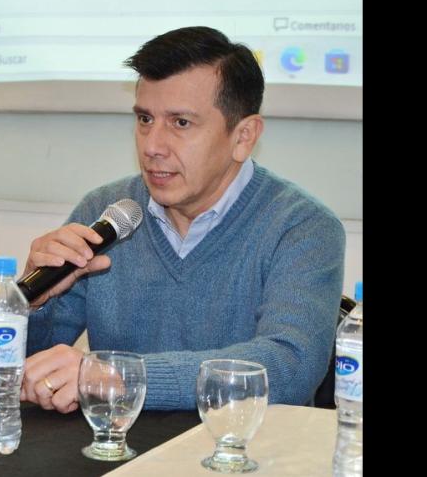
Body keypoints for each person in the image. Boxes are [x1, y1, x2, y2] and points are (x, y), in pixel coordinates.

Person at [19, 26, 345, 411]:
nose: (153, 146)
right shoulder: (105, 211)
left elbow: (289, 367)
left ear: (244, 136)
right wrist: (32, 303)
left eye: (181, 123)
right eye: (144, 119)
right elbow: (25, 369)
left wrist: (120, 378)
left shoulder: (302, 227)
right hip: (116, 450)